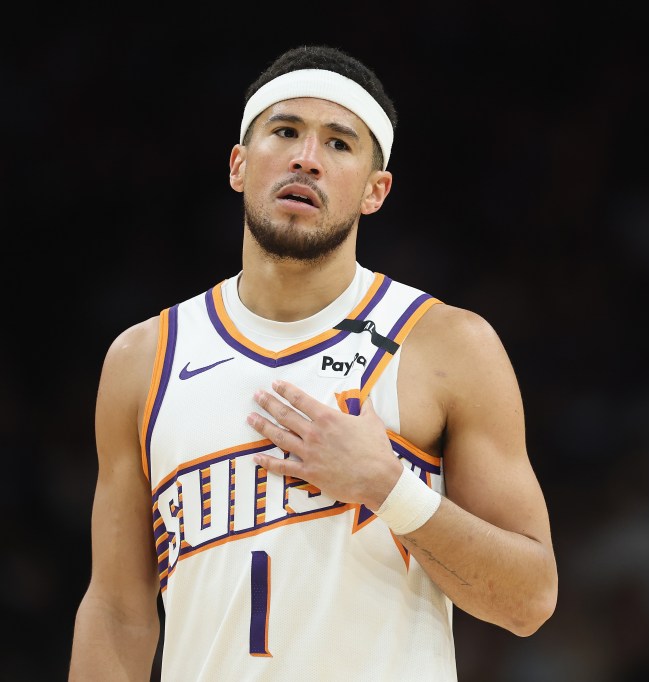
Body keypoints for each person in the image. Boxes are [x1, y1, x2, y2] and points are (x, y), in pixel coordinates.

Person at [68, 44, 558, 681]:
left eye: (339, 143)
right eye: (286, 131)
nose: (306, 157)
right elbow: (116, 611)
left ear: (375, 191)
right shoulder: (143, 359)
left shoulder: (447, 345)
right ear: (240, 164)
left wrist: (389, 488)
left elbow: (529, 601)